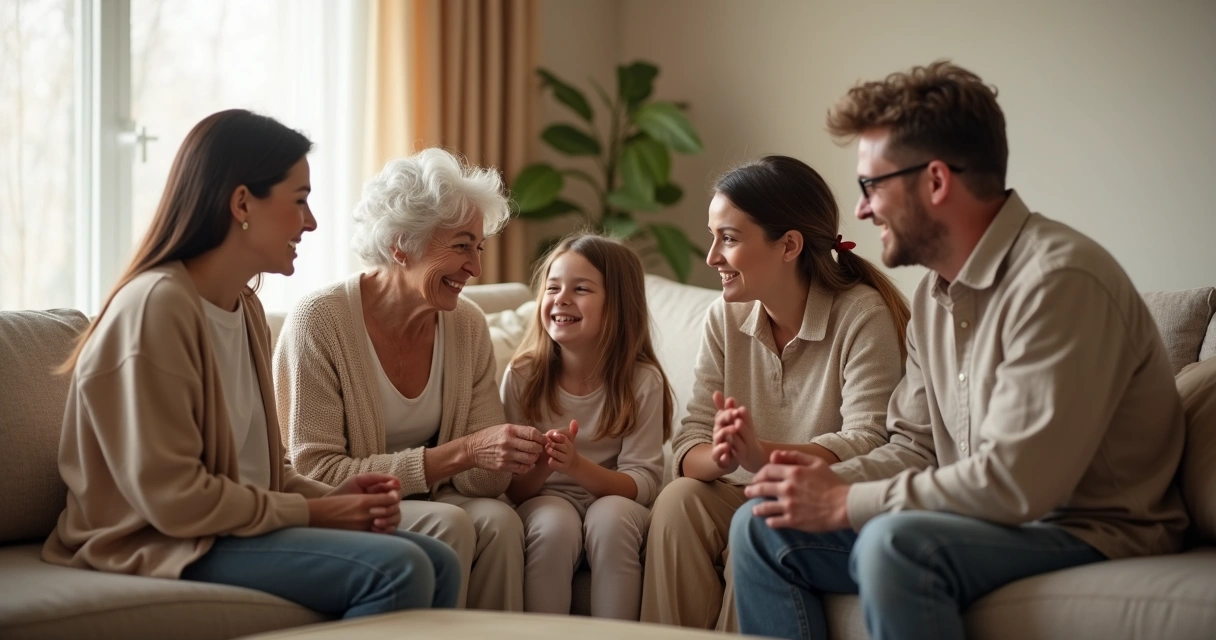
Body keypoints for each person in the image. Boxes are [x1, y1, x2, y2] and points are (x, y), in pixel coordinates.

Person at [730, 61, 1189, 640]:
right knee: (758, 524)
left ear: (936, 181)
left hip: (1085, 527)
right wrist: (830, 480)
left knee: (893, 544)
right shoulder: (932, 297)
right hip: (984, 517)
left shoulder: (1058, 280)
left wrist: (847, 503)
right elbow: (917, 446)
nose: (863, 211)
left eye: (872, 185)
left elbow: (1018, 484)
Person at [42, 109, 461, 618]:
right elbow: (174, 500)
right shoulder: (156, 306)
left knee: (440, 560)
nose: (311, 222)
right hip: (160, 539)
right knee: (401, 567)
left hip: (220, 528)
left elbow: (260, 472)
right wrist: (318, 511)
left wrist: (332, 493)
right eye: (300, 201)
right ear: (243, 202)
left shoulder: (244, 308)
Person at [640, 155, 909, 630]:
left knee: (760, 517)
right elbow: (690, 441)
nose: (712, 257)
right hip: (742, 491)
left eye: (728, 238)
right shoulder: (724, 318)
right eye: (713, 236)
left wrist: (761, 455)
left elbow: (870, 441)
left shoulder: (861, 315)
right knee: (679, 499)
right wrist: (724, 457)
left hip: (819, 502)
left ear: (788, 245)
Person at [274, 148, 544, 611]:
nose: (476, 268)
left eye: (478, 248)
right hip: (343, 508)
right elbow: (318, 474)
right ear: (402, 243)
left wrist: (515, 453)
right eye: (461, 246)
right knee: (453, 524)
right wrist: (459, 454)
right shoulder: (320, 320)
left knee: (500, 521)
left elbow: (482, 483)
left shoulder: (467, 324)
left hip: (437, 498)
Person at [501, 234, 673, 619]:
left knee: (609, 519)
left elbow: (642, 484)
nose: (561, 299)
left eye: (580, 289)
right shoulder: (522, 375)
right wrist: (546, 463)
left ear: (618, 306)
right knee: (553, 524)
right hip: (542, 499)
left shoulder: (642, 381)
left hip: (614, 500)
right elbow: (514, 489)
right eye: (553, 288)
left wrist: (577, 466)